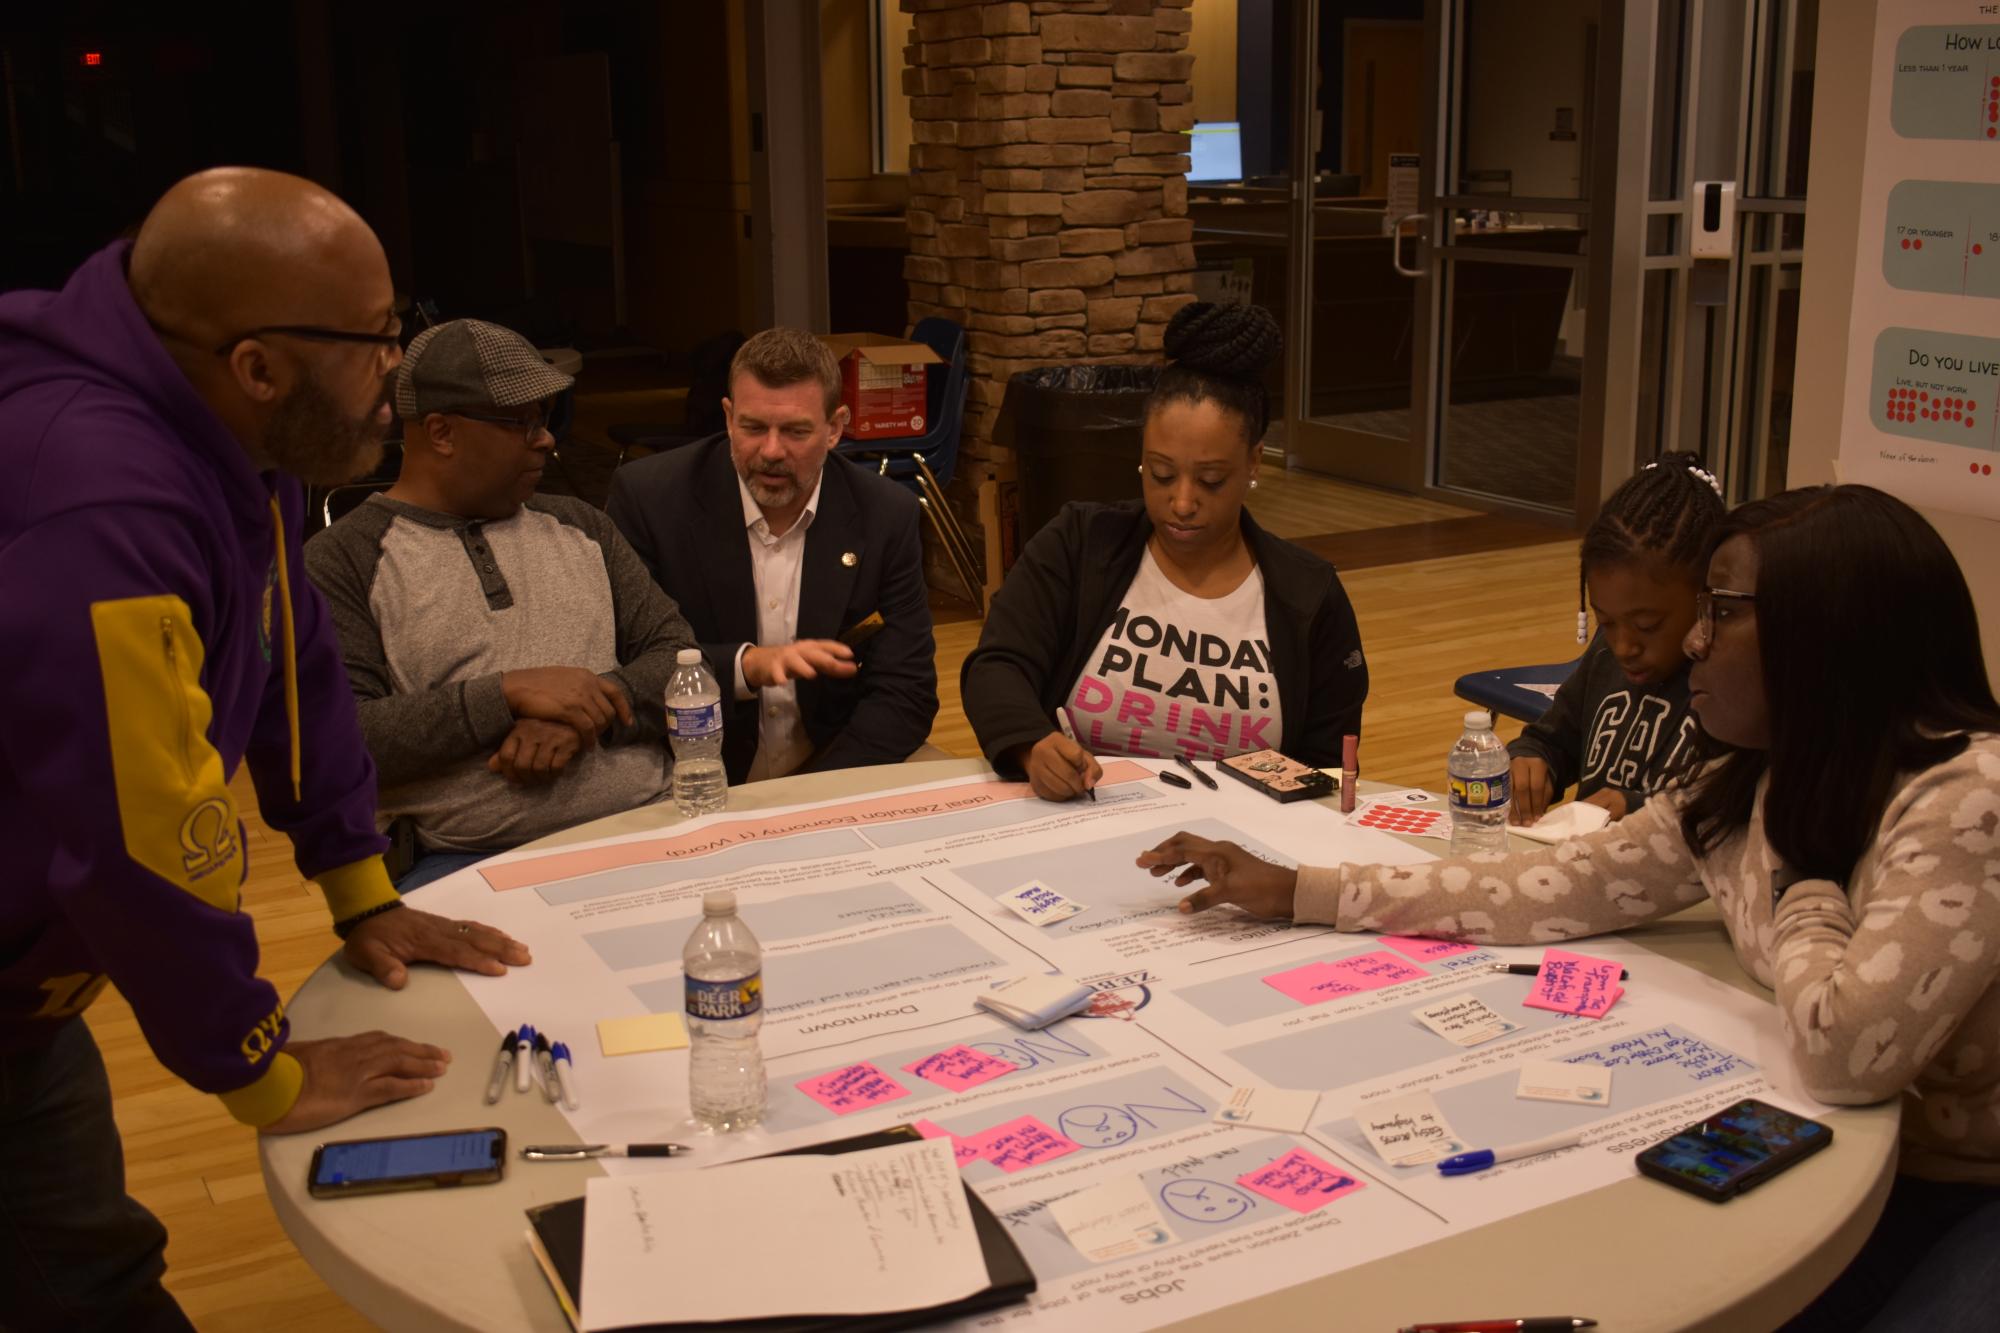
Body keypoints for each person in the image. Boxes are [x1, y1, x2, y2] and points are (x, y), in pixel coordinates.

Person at [1142, 484, 2000, 1330]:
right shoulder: (1751, 781)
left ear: (1828, 635)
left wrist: (1804, 882)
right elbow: (1552, 886)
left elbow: (1846, 1051)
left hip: (1964, 1190)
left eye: (1725, 611)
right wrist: (1297, 889)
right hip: (1849, 1169)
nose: (1696, 641)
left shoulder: (1965, 798)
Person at [0, 168, 530, 1330]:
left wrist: (360, 889)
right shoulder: (100, 506)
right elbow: (145, 837)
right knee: (82, 1284)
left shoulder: (240, 443)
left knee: (88, 1260)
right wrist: (259, 1067)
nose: (399, 371)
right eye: (379, 341)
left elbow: (297, 670)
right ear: (258, 365)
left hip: (27, 981)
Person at [306, 319, 700, 889]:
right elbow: (342, 737)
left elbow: (682, 660)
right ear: (441, 432)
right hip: (466, 862)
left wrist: (584, 715)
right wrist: (504, 694)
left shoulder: (582, 525)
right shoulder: (344, 559)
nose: (546, 439)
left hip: (653, 824)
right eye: (522, 423)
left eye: (546, 420)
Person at [961, 302, 1367, 802]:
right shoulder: (1081, 543)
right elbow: (998, 664)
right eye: (1161, 474)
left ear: (1254, 462)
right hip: (1080, 821)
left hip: (1241, 849)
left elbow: (1328, 762)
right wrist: (1031, 746)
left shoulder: (1307, 593)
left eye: (1211, 480)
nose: (1182, 502)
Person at [607, 327, 938, 784]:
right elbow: (629, 661)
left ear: (835, 428)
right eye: (753, 427)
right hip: (687, 775)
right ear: (727, 418)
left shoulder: (886, 514)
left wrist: (810, 798)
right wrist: (744, 666)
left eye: (796, 431)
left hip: (832, 764)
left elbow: (907, 692)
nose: (771, 451)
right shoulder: (649, 500)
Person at [1508, 450, 1725, 825]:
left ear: (1705, 597)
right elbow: (1553, 739)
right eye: (1606, 622)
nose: (1624, 647)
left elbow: (1733, 815)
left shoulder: (1735, 687)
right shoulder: (1605, 657)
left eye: (1648, 625)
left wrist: (1639, 810)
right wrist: (1531, 758)